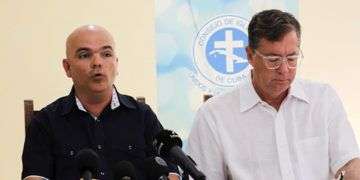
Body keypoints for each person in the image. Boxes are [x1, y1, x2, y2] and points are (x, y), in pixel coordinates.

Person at [187, 9, 360, 180]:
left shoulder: (322, 98)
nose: (284, 70)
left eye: (292, 58)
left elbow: (348, 162)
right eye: (273, 60)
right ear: (250, 55)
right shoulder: (214, 115)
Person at [22, 25, 179, 180]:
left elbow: (172, 175)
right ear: (67, 67)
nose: (97, 62)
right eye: (85, 55)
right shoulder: (45, 122)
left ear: (116, 63)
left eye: (106, 54)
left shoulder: (142, 116)